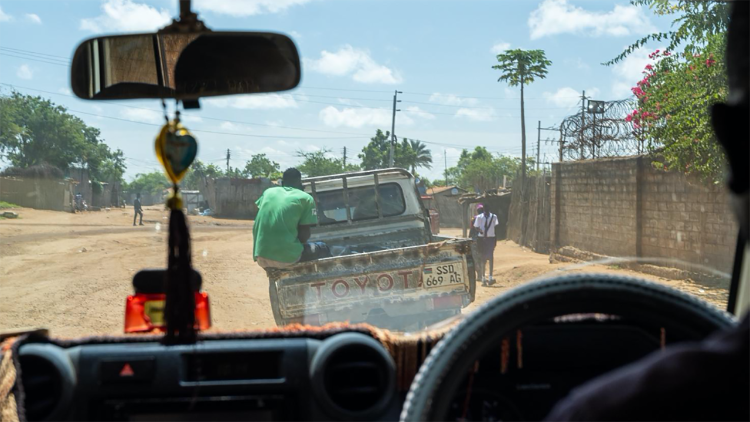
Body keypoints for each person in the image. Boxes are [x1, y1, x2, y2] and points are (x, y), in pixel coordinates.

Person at [253, 168, 330, 270]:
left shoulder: (268, 193)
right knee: (322, 247)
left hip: (261, 255)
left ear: (283, 182)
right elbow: (304, 236)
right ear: (300, 182)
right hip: (287, 257)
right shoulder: (305, 198)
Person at [474, 204, 498, 286]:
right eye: (485, 208)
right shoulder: (479, 217)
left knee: (490, 258)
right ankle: (484, 278)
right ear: (484, 209)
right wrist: (480, 231)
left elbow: (495, 227)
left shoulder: (494, 217)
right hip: (482, 239)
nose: (486, 210)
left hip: (490, 239)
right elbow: (476, 227)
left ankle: (490, 278)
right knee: (483, 259)